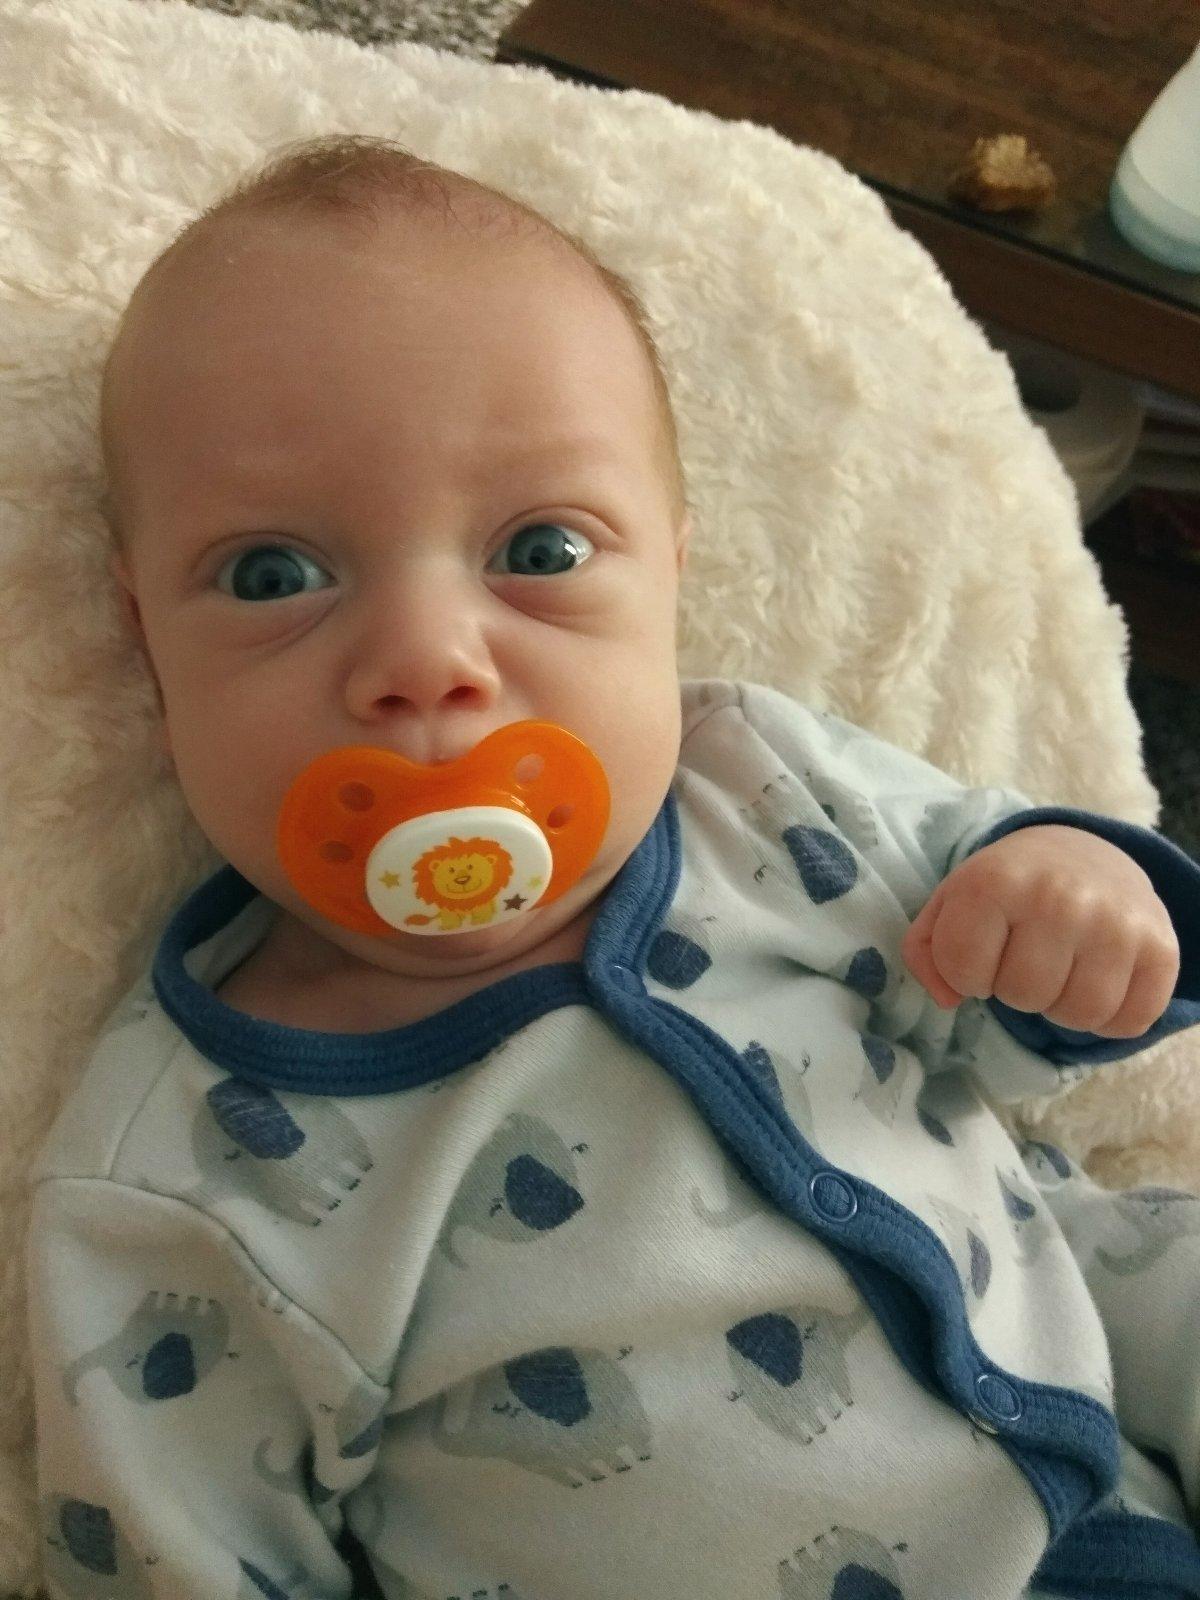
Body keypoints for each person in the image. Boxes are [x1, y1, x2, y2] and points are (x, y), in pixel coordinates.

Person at [25, 138, 1200, 1600]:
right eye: (276, 576)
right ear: (147, 642)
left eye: (540, 548)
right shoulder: (188, 1188)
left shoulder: (761, 787)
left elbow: (997, 987)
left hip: (1088, 1341)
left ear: (671, 576)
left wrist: (1060, 898)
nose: (427, 661)